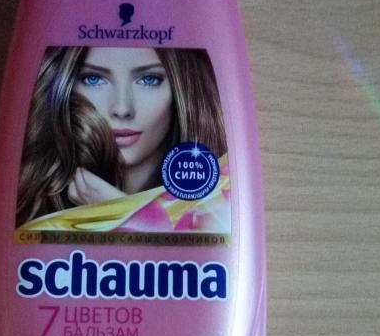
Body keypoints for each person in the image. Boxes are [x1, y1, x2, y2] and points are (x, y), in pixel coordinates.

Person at [16, 46, 227, 227]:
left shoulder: (220, 205)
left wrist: (117, 210)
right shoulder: (28, 208)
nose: (122, 108)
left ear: (182, 89)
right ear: (66, 88)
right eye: (94, 79)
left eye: (149, 80)